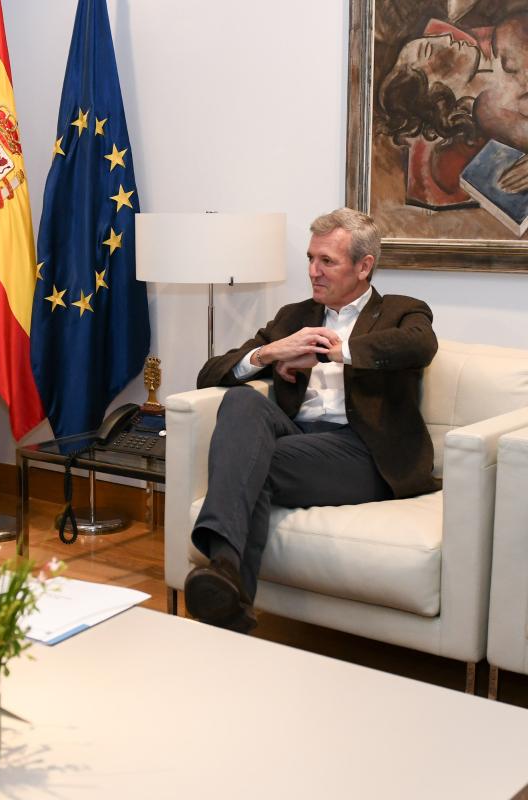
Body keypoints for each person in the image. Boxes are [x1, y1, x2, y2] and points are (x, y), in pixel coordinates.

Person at [183, 208, 438, 633]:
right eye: (310, 258)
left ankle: (225, 579)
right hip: (298, 437)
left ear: (363, 266)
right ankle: (227, 583)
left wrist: (338, 352)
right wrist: (271, 353)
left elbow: (419, 345)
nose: (313, 271)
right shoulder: (294, 317)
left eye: (327, 261)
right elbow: (210, 373)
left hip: (364, 453)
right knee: (242, 402)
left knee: (252, 464)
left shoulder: (402, 311)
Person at [378, 14, 528, 205]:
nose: (446, 37)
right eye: (429, 50)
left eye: (433, 38)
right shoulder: (491, 111)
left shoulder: (507, 35)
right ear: (433, 93)